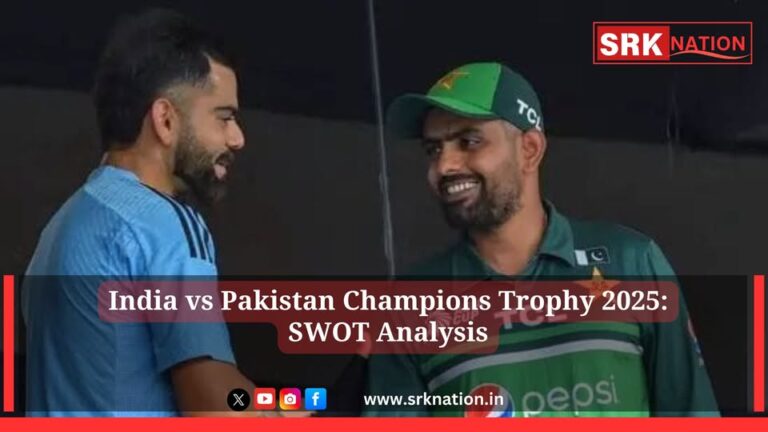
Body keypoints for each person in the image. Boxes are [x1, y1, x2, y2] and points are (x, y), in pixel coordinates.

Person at [365, 62, 719, 417]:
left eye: (469, 142)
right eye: (433, 150)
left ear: (530, 149)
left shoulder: (631, 262)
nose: (445, 166)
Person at [23, 9, 257, 416]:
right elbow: (217, 406)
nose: (237, 138)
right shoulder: (164, 223)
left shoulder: (55, 234)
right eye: (224, 118)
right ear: (165, 120)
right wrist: (273, 409)